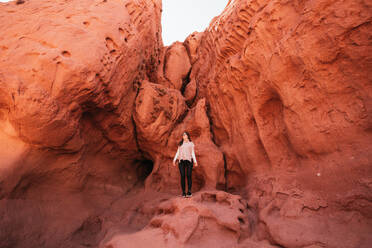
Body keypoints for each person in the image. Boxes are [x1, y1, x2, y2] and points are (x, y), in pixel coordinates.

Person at [173, 131, 198, 197]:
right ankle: (183, 192)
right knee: (182, 176)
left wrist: (195, 161)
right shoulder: (180, 144)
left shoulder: (191, 144)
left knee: (189, 175)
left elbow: (192, 153)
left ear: (187, 136)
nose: (183, 136)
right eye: (183, 135)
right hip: (181, 161)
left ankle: (189, 192)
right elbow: (178, 152)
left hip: (189, 161)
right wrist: (174, 159)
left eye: (185, 135)